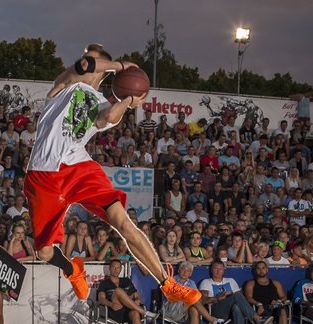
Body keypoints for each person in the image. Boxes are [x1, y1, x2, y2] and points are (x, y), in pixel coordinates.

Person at [23, 44, 201, 305]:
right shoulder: (64, 84)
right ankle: (73, 269)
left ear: (102, 65)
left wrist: (128, 100)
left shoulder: (103, 103)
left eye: (91, 55)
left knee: (123, 223)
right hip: (43, 173)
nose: (85, 58)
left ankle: (168, 283)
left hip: (78, 166)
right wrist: (121, 66)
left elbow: (107, 118)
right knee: (44, 251)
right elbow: (85, 66)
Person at [200, 260, 271, 324]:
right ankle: (256, 318)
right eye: (215, 268)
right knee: (236, 295)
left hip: (231, 311)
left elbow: (240, 298)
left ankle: (255, 318)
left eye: (220, 269)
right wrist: (217, 298)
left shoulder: (230, 280)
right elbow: (203, 300)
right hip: (216, 310)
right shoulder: (206, 282)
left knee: (236, 307)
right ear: (211, 270)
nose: (218, 271)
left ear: (223, 270)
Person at [162, 261, 229, 324]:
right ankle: (212, 320)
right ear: (179, 270)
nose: (185, 272)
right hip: (171, 310)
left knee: (194, 309)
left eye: (188, 271)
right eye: (183, 269)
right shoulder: (171, 281)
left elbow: (198, 299)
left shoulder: (191, 283)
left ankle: (212, 320)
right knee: (192, 298)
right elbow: (169, 297)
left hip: (184, 313)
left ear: (190, 274)